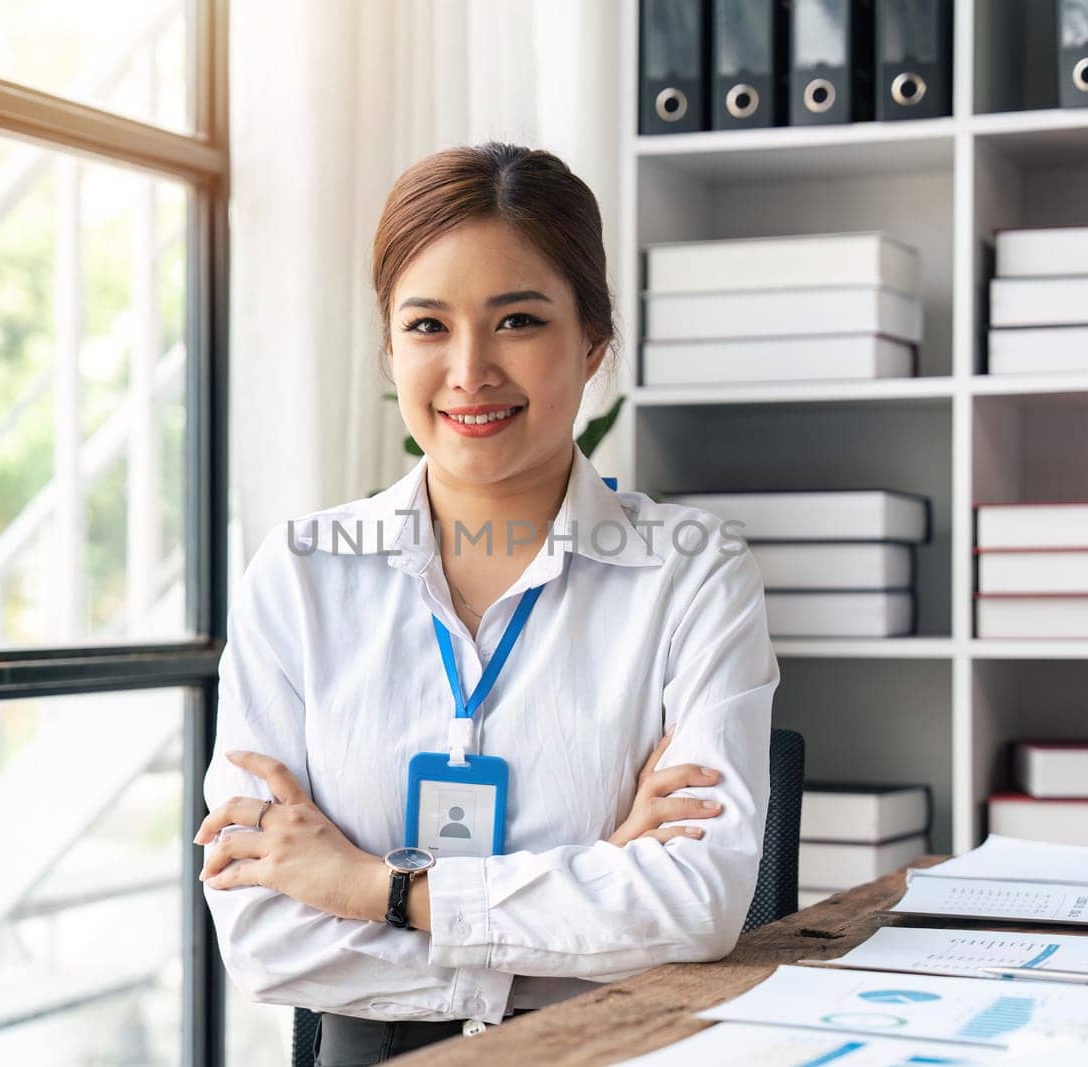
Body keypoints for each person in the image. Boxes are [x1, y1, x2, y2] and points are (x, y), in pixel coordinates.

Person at [195, 142, 780, 1066]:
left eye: (516, 320)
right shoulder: (301, 575)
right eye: (428, 325)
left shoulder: (690, 572)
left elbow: (696, 902)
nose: (470, 371)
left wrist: (375, 888)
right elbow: (264, 935)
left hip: (612, 1050)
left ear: (593, 342)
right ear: (389, 346)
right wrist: (594, 883)